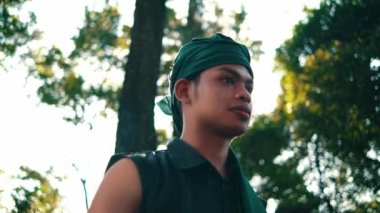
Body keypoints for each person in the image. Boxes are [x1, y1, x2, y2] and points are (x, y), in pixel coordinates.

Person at [89, 33, 267, 213]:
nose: (245, 94)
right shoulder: (135, 176)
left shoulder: (254, 204)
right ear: (184, 91)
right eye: (227, 80)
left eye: (248, 87)